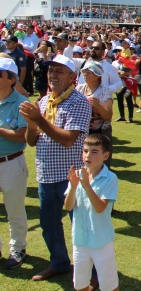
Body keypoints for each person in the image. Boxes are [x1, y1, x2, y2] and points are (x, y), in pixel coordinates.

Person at [19, 55, 92, 281]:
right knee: (49, 224)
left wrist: (39, 120)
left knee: (81, 226)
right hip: (46, 174)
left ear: (72, 77)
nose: (52, 75)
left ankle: (90, 269)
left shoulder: (78, 101)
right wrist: (33, 123)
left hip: (71, 175)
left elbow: (69, 139)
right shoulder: (44, 102)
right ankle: (59, 263)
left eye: (59, 71)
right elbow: (31, 141)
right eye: (51, 70)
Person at [64, 134, 119, 291]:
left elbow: (100, 208)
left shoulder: (110, 178)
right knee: (80, 284)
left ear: (105, 155)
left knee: (109, 285)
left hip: (101, 241)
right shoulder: (78, 176)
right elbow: (68, 206)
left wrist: (86, 186)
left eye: (94, 152)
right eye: (85, 150)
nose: (88, 155)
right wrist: (74, 187)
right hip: (80, 240)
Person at [0, 58, 30, 269]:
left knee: (14, 209)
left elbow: (23, 136)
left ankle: (18, 247)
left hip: (11, 161)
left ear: (11, 80)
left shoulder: (22, 103)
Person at [76, 62, 114, 166]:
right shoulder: (79, 89)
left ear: (97, 75)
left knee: (100, 164)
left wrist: (97, 105)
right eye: (84, 71)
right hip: (81, 131)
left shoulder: (105, 91)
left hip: (99, 132)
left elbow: (108, 116)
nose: (85, 74)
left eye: (89, 72)